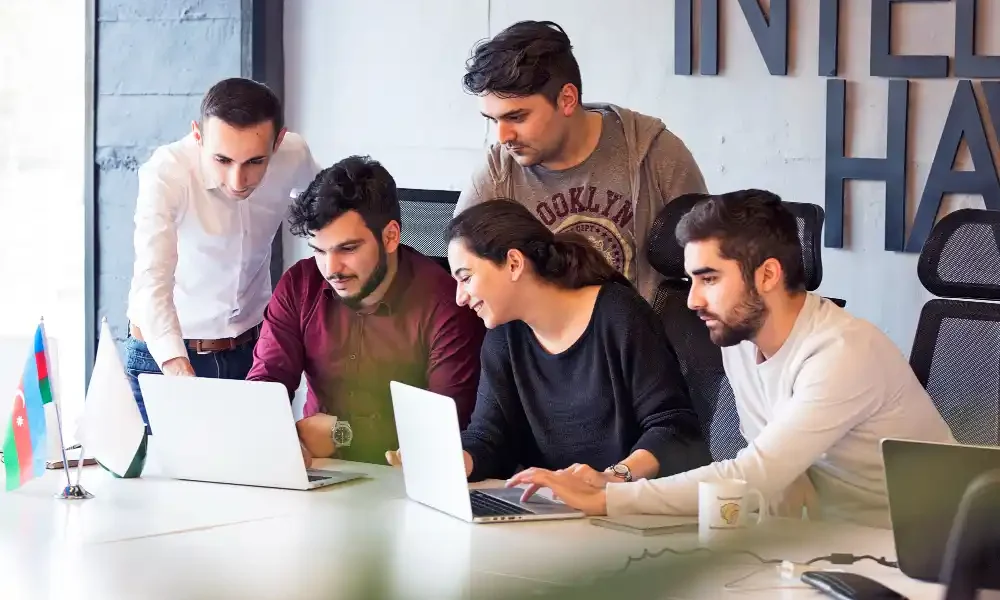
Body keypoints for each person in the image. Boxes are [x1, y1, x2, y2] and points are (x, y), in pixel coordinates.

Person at [508, 190, 955, 528]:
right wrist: (611, 483)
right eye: (690, 280)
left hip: (921, 551)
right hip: (830, 544)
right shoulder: (741, 341)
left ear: (767, 275)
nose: (692, 300)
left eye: (709, 279)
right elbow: (777, 479)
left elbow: (753, 473)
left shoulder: (842, 353)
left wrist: (610, 500)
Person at [387, 199, 710, 483]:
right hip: (546, 508)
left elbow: (674, 428)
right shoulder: (504, 334)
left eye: (466, 278)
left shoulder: (619, 316)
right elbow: (489, 438)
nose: (459, 298)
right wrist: (452, 460)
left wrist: (610, 478)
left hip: (624, 508)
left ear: (514, 263)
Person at [246, 155, 485, 466]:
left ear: (390, 237)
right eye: (319, 250)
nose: (331, 269)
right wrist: (270, 434)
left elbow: (442, 429)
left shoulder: (447, 305)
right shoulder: (299, 285)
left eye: (347, 248)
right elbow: (265, 388)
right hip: (320, 471)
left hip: (402, 478)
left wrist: (342, 434)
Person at [455, 20, 708, 304]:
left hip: (638, 342)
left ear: (566, 99)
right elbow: (465, 272)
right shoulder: (497, 172)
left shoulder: (654, 152)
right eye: (493, 120)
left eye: (516, 117)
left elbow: (710, 260)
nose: (503, 137)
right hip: (540, 344)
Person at [125, 77, 320, 433]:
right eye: (222, 159)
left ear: (278, 141)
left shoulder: (294, 154)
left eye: (256, 161)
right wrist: (177, 369)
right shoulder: (166, 173)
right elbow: (152, 282)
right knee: (172, 485)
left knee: (259, 478)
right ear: (198, 135)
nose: (238, 179)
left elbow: (325, 213)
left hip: (252, 349)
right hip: (167, 354)